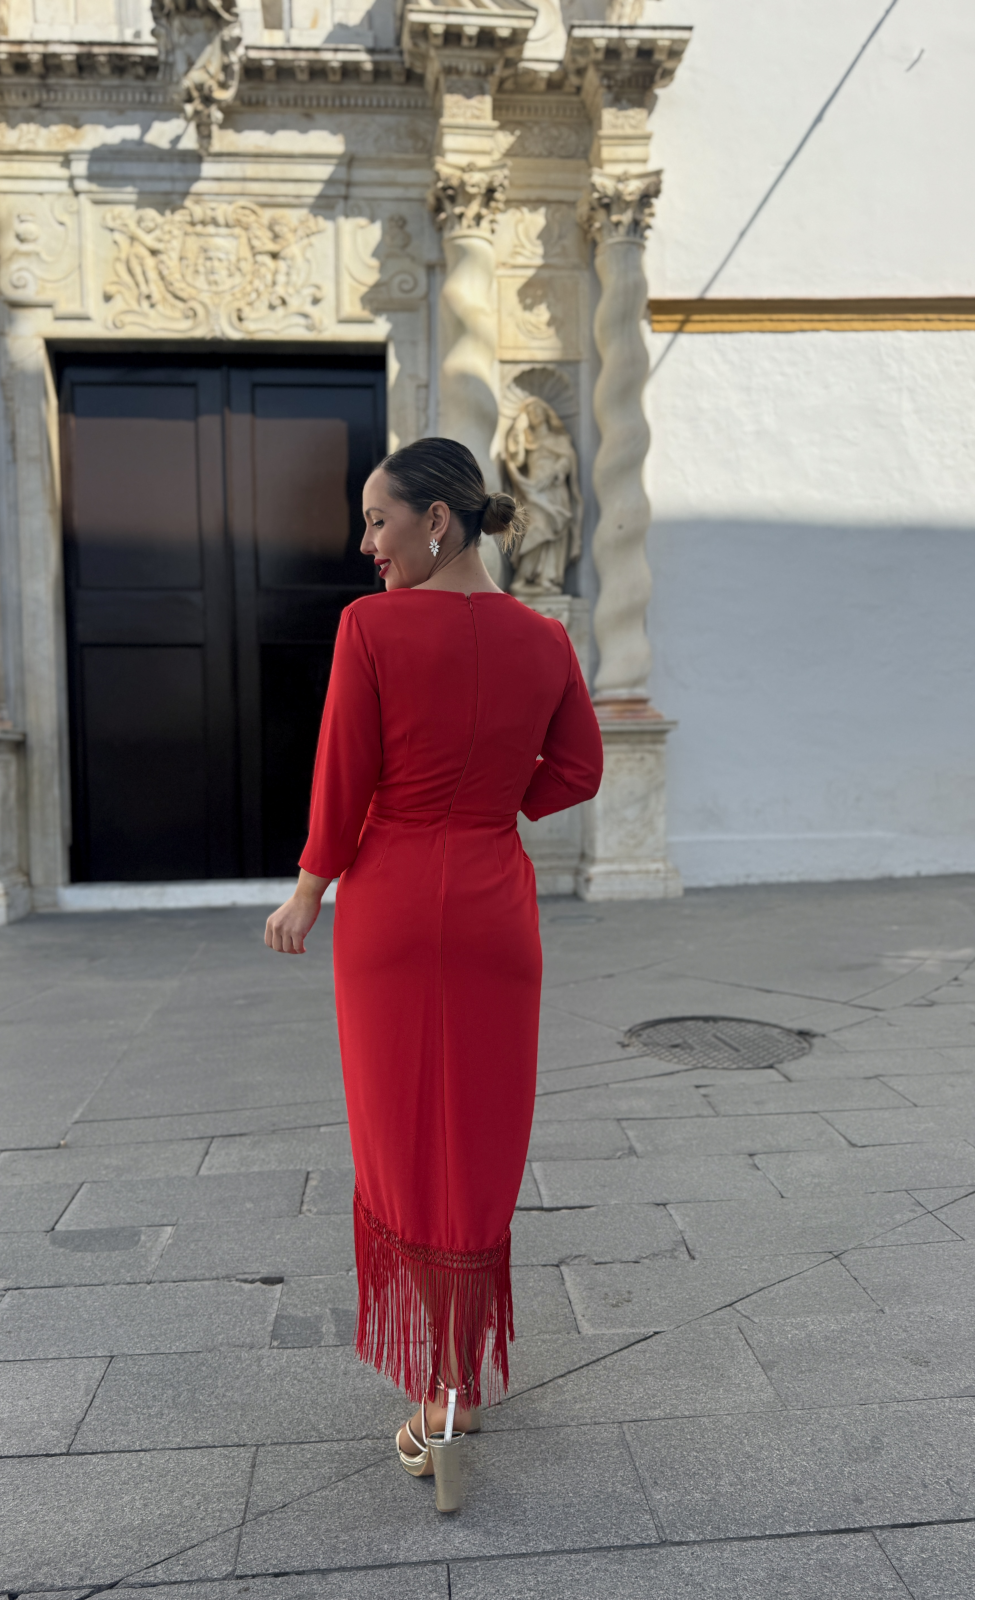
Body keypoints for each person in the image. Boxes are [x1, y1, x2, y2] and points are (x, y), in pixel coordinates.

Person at [264, 437, 603, 1511]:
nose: (366, 545)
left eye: (378, 521)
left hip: (395, 905)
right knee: (482, 1137)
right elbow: (581, 768)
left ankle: (438, 1382)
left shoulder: (370, 628)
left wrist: (309, 889)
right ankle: (458, 1375)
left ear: (437, 522)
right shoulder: (545, 639)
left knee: (402, 1138)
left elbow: (342, 776)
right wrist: (500, 801)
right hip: (496, 904)